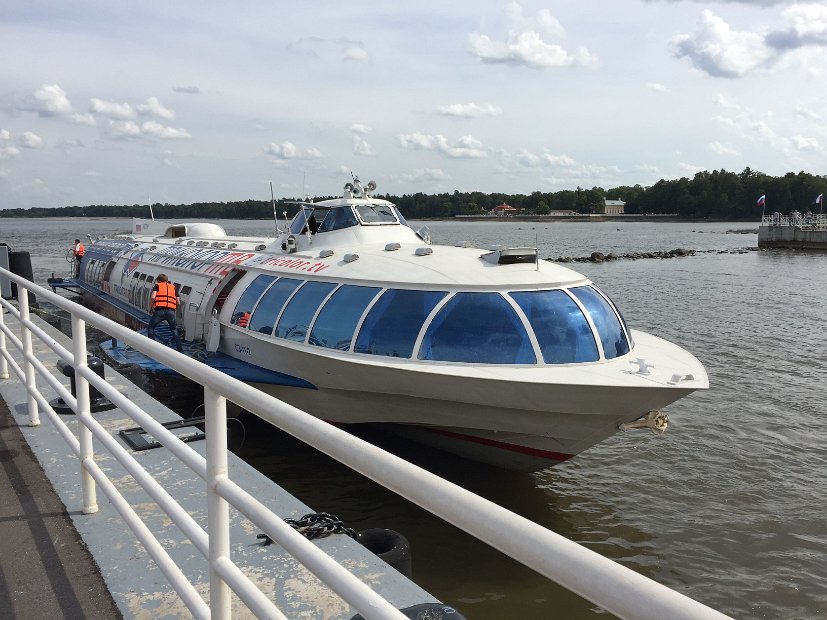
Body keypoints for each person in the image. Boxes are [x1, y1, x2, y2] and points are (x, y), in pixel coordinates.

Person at [147, 274, 182, 351]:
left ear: (159, 280)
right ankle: (180, 349)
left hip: (160, 311)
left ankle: (152, 348)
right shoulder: (173, 287)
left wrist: (150, 308)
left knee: (151, 328)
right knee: (174, 329)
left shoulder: (157, 286)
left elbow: (153, 297)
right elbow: (178, 302)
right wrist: (174, 309)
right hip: (171, 312)